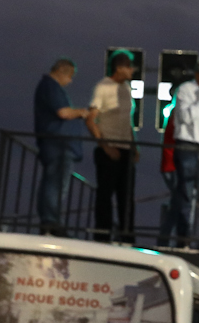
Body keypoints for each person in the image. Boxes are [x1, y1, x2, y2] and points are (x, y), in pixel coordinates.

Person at [165, 60, 199, 246]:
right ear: (197, 74)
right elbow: (185, 117)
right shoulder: (185, 90)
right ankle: (184, 238)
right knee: (186, 195)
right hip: (187, 147)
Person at [85, 53, 138, 242]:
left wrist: (134, 145)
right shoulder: (103, 87)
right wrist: (105, 146)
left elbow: (128, 120)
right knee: (105, 195)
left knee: (126, 196)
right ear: (119, 68)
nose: (132, 70)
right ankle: (102, 235)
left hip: (125, 148)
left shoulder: (126, 88)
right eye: (129, 66)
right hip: (109, 147)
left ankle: (127, 236)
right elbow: (91, 119)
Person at [34, 58, 90, 234]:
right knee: (56, 182)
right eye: (70, 76)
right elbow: (64, 112)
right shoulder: (51, 87)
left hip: (55, 143)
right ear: (63, 72)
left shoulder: (47, 87)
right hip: (58, 144)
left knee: (53, 182)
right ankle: (51, 221)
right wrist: (82, 112)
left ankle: (50, 219)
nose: (70, 81)